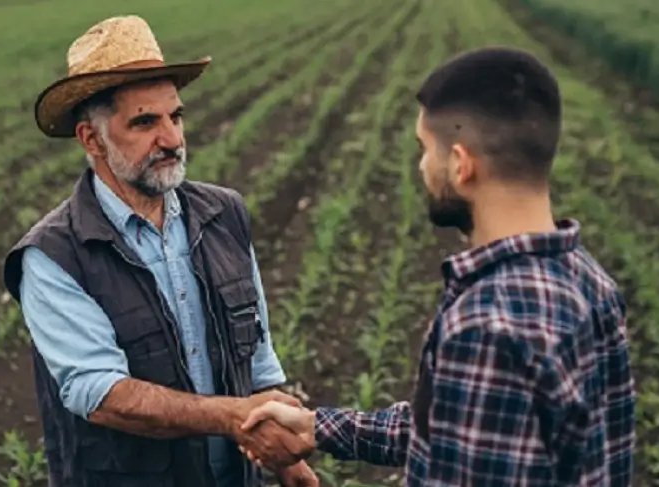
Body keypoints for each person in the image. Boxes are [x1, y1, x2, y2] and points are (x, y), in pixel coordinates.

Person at [240, 47, 635, 486]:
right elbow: (467, 430)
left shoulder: (487, 326)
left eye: (425, 149)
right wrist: (318, 427)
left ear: (462, 165)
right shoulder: (589, 280)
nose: (423, 166)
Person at [3, 15, 318, 487]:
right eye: (145, 122)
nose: (172, 139)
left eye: (176, 116)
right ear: (92, 139)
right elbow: (102, 393)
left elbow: (256, 356)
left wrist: (286, 458)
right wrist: (232, 416)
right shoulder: (53, 255)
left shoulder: (223, 214)